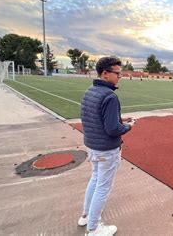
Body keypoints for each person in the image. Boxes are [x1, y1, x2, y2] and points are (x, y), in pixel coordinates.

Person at [78, 57, 132, 236]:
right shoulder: (110, 96)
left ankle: (86, 216)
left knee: (95, 179)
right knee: (103, 187)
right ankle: (93, 229)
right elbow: (113, 129)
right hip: (106, 149)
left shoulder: (90, 91)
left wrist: (118, 119)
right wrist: (128, 126)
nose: (120, 77)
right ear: (105, 73)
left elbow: (93, 118)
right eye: (117, 73)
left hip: (92, 145)